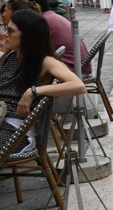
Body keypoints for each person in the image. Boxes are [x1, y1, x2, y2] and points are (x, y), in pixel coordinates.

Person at [0, 9, 86, 150]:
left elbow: (78, 85)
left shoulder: (44, 61)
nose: (5, 34)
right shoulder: (10, 57)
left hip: (16, 133)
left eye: (10, 31)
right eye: (5, 29)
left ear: (27, 36)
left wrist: (32, 91)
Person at [20, 0, 91, 75]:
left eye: (23, 8)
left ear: (36, 7)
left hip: (74, 69)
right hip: (80, 66)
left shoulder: (43, 21)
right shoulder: (52, 16)